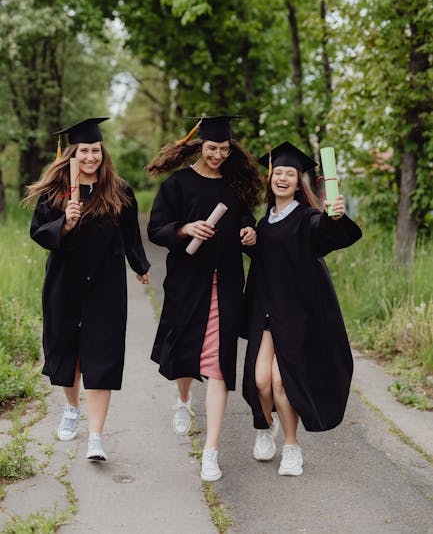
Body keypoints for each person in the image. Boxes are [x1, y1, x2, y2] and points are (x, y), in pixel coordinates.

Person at [25, 117, 150, 462]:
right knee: (68, 350)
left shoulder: (119, 190)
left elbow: (130, 235)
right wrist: (65, 222)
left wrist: (140, 266)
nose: (91, 156)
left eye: (96, 150)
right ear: (72, 154)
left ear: (103, 152)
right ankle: (71, 408)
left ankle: (96, 436)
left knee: (102, 354)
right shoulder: (56, 191)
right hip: (64, 282)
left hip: (105, 284)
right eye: (84, 150)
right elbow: (38, 232)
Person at [147, 115, 261, 481]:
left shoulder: (233, 184)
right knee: (185, 350)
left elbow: (246, 218)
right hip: (187, 283)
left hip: (226, 284)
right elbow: (156, 229)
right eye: (212, 148)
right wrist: (184, 228)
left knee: (218, 362)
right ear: (200, 146)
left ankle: (211, 450)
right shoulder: (178, 184)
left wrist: (249, 231)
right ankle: (183, 400)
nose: (218, 155)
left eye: (224, 149)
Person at [242, 141, 362, 476]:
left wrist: (334, 217)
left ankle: (292, 448)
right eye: (277, 172)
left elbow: (327, 233)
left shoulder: (307, 218)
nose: (282, 178)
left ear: (298, 183)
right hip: (267, 313)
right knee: (259, 381)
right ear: (270, 178)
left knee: (281, 382)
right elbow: (266, 258)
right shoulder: (265, 223)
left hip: (297, 316)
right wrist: (250, 240)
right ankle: (266, 426)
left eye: (290, 174)